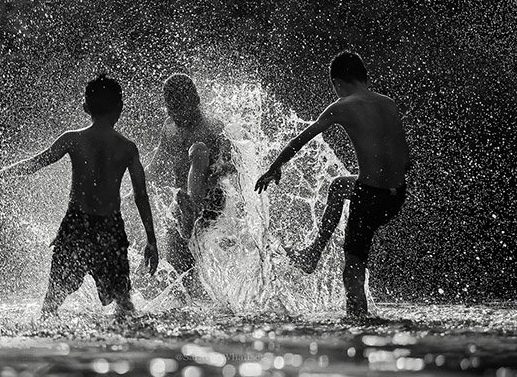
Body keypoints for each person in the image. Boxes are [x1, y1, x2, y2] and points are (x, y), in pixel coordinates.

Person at [0, 74, 158, 321]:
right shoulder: (127, 147)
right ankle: (128, 339)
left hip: (76, 224)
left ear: (85, 107)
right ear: (120, 108)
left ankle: (45, 331)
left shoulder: (73, 139)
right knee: (123, 302)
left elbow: (36, 163)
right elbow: (141, 195)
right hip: (110, 228)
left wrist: (2, 173)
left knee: (53, 298)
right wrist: (151, 240)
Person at [255, 51, 411, 317]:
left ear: (337, 83)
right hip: (396, 195)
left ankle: (359, 323)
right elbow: (406, 160)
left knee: (353, 266)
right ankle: (313, 253)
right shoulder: (389, 104)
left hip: (369, 196)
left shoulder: (342, 106)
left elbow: (301, 140)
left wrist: (274, 167)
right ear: (364, 78)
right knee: (339, 186)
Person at [146, 73, 234, 297]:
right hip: (181, 202)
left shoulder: (212, 126)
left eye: (179, 107)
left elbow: (231, 164)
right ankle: (192, 301)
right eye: (170, 107)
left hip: (209, 200)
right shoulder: (169, 126)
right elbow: (156, 164)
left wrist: (219, 167)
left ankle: (192, 209)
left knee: (199, 150)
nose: (174, 113)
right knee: (177, 265)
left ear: (195, 102)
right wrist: (133, 188)